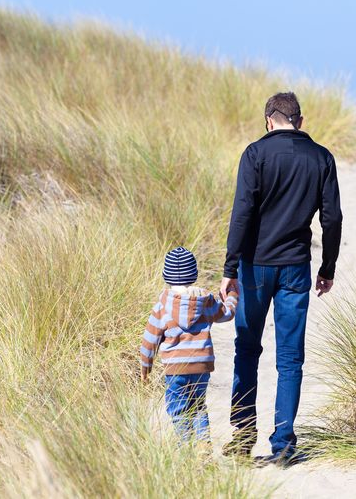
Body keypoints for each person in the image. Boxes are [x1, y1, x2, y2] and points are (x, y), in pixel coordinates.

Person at [220, 92, 342, 463]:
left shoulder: (255, 154)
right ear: (299, 121)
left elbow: (242, 212)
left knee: (247, 349)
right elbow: (332, 218)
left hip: (255, 266)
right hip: (295, 268)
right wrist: (328, 268)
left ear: (269, 120)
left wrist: (229, 268)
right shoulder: (321, 157)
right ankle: (284, 443)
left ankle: (243, 438)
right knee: (290, 358)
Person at [140, 247, 239, 441]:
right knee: (198, 405)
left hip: (175, 368)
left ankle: (187, 449)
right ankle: (203, 445)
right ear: (194, 274)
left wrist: (146, 367)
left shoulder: (162, 306)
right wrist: (233, 296)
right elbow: (227, 314)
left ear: (166, 276)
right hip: (202, 365)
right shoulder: (206, 301)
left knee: (178, 409)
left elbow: (150, 340)